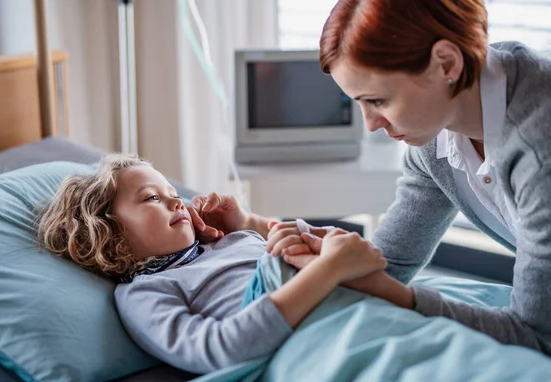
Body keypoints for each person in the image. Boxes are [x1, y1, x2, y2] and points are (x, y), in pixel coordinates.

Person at [198, 0, 551, 355]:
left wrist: (397, 295)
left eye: (379, 100)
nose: (371, 125)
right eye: (359, 104)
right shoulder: (435, 143)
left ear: (447, 63)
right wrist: (276, 232)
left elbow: (536, 335)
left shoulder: (538, 150)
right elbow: (386, 264)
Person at [36, 154, 387, 374]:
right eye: (153, 198)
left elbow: (348, 252)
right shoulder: (145, 292)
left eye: (174, 194)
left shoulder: (230, 240)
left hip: (365, 304)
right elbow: (220, 349)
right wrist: (329, 271)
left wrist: (250, 223)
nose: (177, 203)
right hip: (323, 343)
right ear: (107, 231)